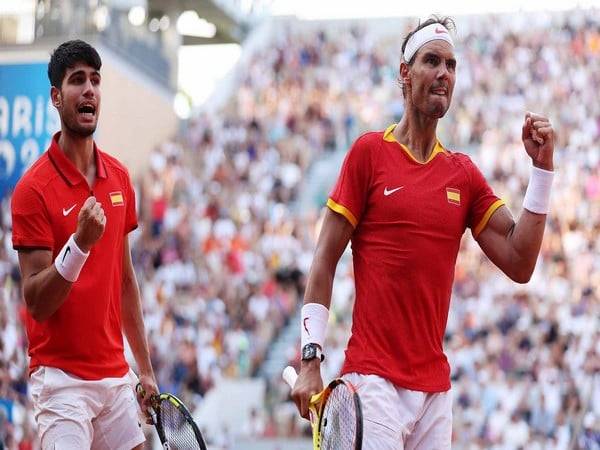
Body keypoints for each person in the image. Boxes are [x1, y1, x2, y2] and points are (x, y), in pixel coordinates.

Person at [291, 16, 555, 449]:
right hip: (371, 380)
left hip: (435, 391)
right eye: (432, 61)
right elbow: (324, 258)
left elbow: (520, 261)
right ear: (405, 73)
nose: (444, 74)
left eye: (451, 65)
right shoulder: (368, 153)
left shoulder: (464, 174)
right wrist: (309, 359)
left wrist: (542, 170)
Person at [10, 40, 158, 449]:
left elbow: (125, 282)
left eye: (95, 80)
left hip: (115, 377)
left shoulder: (120, 178)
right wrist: (79, 245)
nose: (89, 89)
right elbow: (37, 300)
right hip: (61, 384)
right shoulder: (31, 190)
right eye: (78, 81)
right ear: (56, 97)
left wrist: (144, 369)